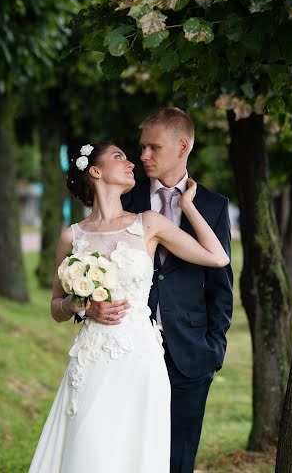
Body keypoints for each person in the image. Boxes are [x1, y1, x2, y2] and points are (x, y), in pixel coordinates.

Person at [28, 141, 230, 473]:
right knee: (88, 445)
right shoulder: (71, 237)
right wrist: (80, 306)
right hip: (92, 358)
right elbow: (55, 306)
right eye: (119, 157)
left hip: (140, 358)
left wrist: (188, 205)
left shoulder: (148, 223)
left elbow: (217, 257)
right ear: (95, 171)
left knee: (134, 450)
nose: (132, 163)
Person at [86, 108, 233, 473]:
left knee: (178, 459)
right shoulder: (124, 201)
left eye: (153, 148)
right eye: (142, 148)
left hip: (190, 351)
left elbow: (221, 284)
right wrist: (86, 308)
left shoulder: (213, 206)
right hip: (128, 353)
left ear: (182, 147)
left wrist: (213, 346)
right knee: (127, 453)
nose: (143, 156)